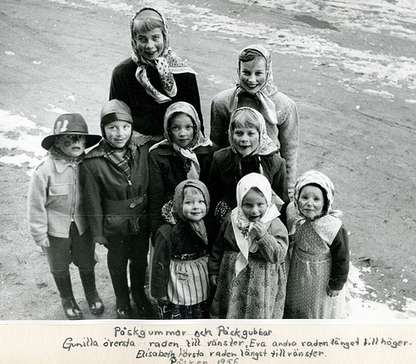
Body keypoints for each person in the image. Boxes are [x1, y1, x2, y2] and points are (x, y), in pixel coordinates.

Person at [79, 99, 153, 319]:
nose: (119, 133)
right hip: (114, 225)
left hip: (140, 220)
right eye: (112, 128)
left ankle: (139, 294)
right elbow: (91, 201)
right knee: (117, 263)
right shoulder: (92, 162)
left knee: (140, 259)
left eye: (125, 127)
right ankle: (122, 299)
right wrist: (98, 233)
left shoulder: (143, 148)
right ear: (103, 130)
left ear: (132, 128)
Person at [27, 113, 103, 320]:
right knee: (59, 265)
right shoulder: (44, 170)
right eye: (68, 139)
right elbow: (36, 205)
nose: (75, 143)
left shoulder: (87, 164)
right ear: (57, 142)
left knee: (86, 260)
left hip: (82, 224)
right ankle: (67, 299)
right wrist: (39, 234)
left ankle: (91, 293)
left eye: (80, 138)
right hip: (56, 227)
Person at [210, 44, 299, 197]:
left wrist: (289, 191)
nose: (252, 80)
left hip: (268, 174)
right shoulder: (222, 102)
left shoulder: (285, 106)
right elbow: (216, 145)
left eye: (258, 73)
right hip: (231, 175)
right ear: (238, 71)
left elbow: (289, 151)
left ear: (268, 72)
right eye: (246, 72)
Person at [109, 7, 204, 144]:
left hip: (175, 145)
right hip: (135, 145)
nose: (150, 45)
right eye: (142, 39)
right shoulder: (122, 73)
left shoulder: (184, 74)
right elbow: (114, 118)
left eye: (155, 38)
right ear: (134, 40)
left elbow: (196, 121)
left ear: (165, 37)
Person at [208, 173, 289, 319]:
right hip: (233, 276)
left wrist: (264, 237)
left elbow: (278, 255)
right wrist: (213, 270)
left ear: (268, 202)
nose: (254, 210)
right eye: (248, 205)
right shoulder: (232, 219)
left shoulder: (274, 223)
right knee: (232, 309)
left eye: (260, 204)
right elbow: (218, 246)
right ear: (240, 202)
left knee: (256, 313)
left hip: (261, 279)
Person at [208, 106, 289, 229]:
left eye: (250, 133)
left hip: (261, 217)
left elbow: (282, 201)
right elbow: (213, 194)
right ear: (231, 133)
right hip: (229, 219)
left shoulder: (275, 163)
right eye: (239, 133)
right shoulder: (220, 159)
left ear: (260, 134)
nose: (244, 139)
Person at [284, 170, 350, 319]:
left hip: (321, 274)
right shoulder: (293, 214)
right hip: (298, 269)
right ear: (297, 198)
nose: (309, 203)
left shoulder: (333, 227)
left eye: (316, 199)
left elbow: (342, 259)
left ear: (326, 201)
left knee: (317, 305)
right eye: (305, 197)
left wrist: (336, 284)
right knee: (297, 299)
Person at [148, 101, 216, 237]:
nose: (182, 133)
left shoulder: (208, 151)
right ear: (168, 129)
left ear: (196, 127)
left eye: (188, 127)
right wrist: (156, 229)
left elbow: (212, 190)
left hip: (202, 212)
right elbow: (156, 194)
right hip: (171, 216)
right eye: (176, 128)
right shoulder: (158, 154)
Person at [151, 179, 210, 319]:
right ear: (178, 204)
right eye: (188, 203)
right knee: (181, 312)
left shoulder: (207, 226)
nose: (196, 207)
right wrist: (160, 292)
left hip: (200, 280)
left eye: (201, 202)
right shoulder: (167, 231)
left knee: (200, 310)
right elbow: (159, 264)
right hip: (179, 282)